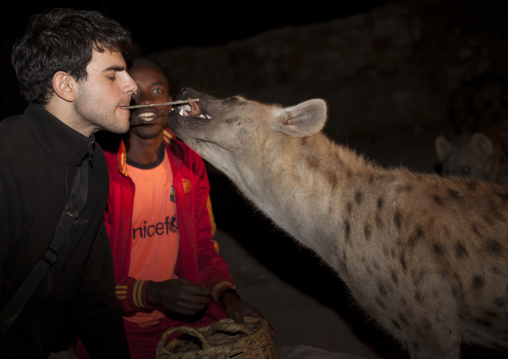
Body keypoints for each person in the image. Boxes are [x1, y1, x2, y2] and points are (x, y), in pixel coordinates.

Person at [75, 58, 274, 358]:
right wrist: (154, 293)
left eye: (157, 91)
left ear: (171, 102)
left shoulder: (188, 161)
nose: (147, 102)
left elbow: (203, 246)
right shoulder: (101, 172)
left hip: (185, 314)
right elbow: (88, 280)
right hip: (119, 321)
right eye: (135, 94)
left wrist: (228, 297)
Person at [0, 8, 137, 358]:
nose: (132, 85)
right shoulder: (7, 165)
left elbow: (93, 291)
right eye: (113, 75)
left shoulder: (91, 166)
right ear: (65, 85)